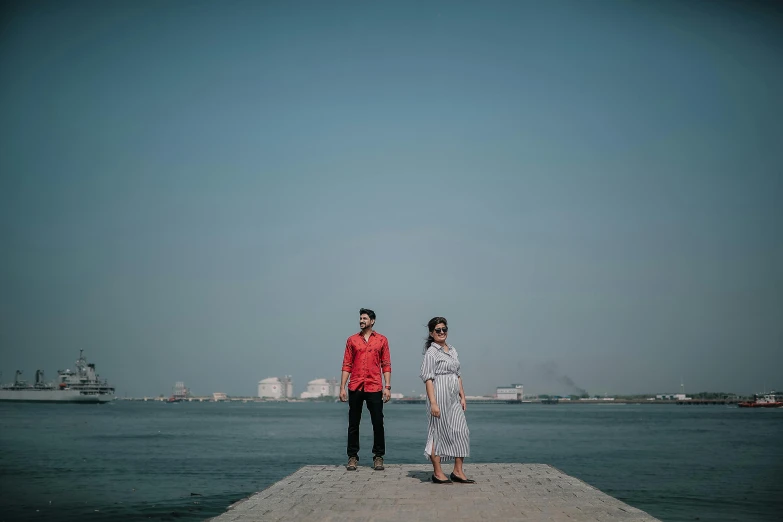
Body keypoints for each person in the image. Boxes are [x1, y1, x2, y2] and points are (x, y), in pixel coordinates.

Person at [420, 316, 475, 484]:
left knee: (462, 431)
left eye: (444, 329)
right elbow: (428, 378)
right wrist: (433, 403)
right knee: (438, 433)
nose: (442, 332)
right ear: (431, 333)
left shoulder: (452, 350)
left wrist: (462, 395)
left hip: (453, 397)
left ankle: (457, 471)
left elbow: (457, 374)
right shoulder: (431, 353)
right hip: (439, 395)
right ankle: (437, 472)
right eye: (438, 330)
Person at [340, 308, 392, 471]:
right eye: (360, 318)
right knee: (353, 423)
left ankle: (378, 456)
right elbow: (347, 363)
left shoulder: (382, 340)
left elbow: (386, 364)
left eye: (364, 318)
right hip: (355, 385)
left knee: (377, 422)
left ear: (372, 321)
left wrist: (387, 387)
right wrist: (342, 387)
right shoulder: (352, 340)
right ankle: (352, 457)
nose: (361, 320)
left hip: (374, 386)